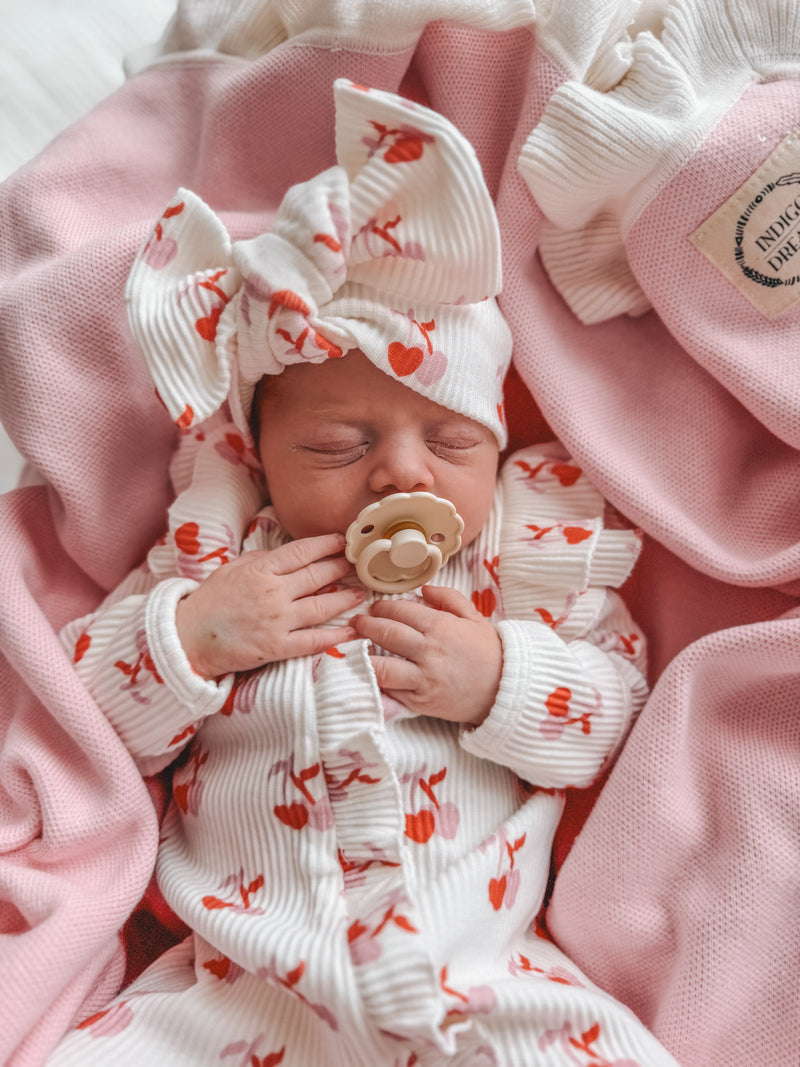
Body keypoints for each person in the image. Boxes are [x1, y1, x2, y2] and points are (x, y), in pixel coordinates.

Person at [47, 80, 679, 1066]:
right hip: (237, 993)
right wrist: (194, 637)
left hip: (483, 980)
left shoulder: (520, 568)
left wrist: (500, 678)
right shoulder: (213, 562)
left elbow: (614, 712)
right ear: (257, 458)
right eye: (340, 443)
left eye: (448, 437)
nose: (402, 470)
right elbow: (78, 719)